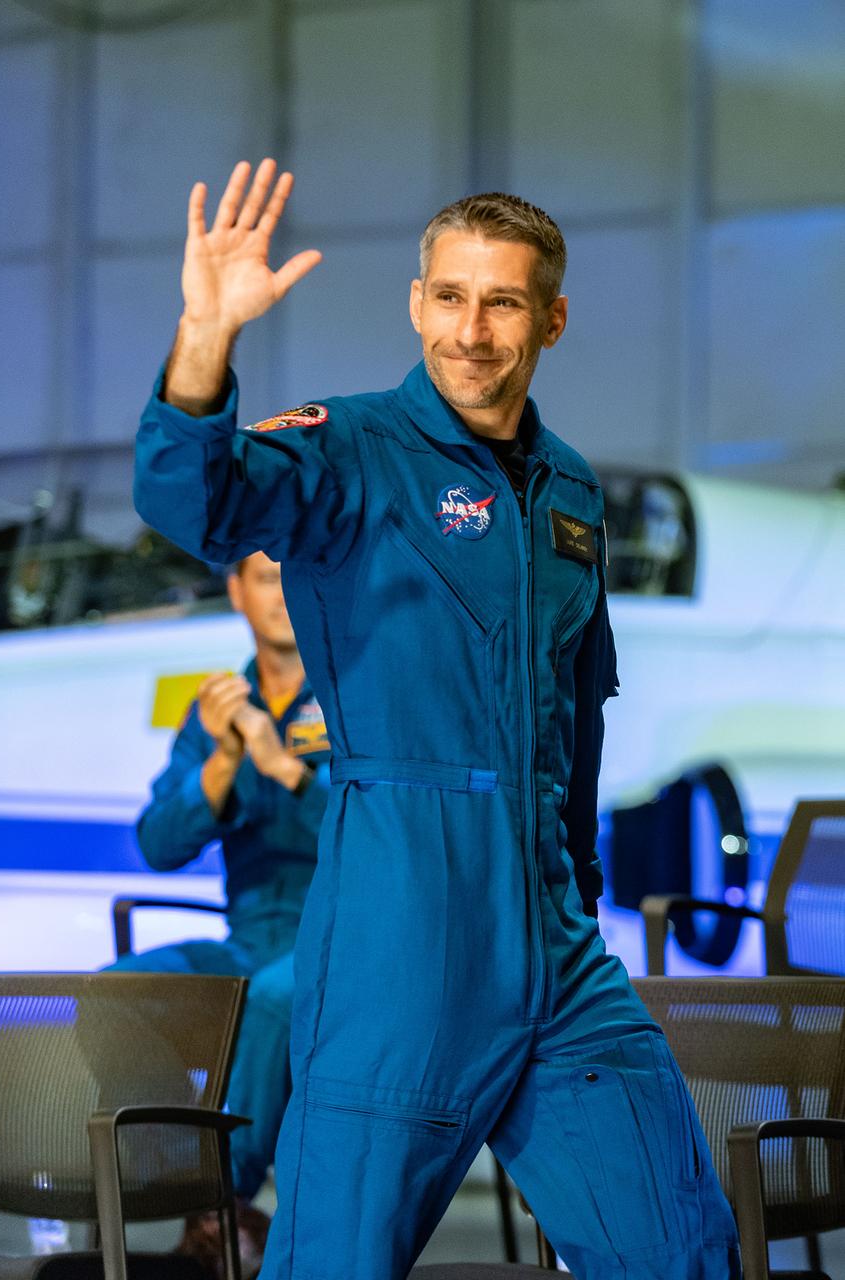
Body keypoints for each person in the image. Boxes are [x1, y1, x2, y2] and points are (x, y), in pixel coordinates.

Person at [133, 159, 741, 1280]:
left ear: (551, 319)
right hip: (398, 939)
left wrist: (574, 889)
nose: (471, 330)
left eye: (502, 302)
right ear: (416, 304)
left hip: (557, 949)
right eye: (450, 297)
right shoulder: (347, 450)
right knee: (336, 1261)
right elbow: (195, 501)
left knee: (681, 1246)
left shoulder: (569, 489)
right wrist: (204, 336)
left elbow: (576, 712)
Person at [108, 551, 329, 1260]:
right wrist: (225, 759)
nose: (283, 594)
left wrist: (283, 766)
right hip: (247, 936)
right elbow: (158, 843)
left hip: (342, 934)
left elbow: (387, 835)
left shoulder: (355, 692)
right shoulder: (218, 706)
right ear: (235, 591)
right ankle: (187, 1182)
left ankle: (220, 1201)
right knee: (113, 994)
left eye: (294, 575)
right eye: (266, 578)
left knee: (272, 998)